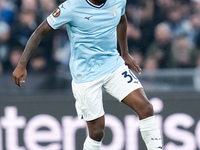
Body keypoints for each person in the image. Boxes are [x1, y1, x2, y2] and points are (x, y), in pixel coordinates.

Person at [12, 0, 163, 149]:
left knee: (146, 108)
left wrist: (124, 53)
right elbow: (40, 31)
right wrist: (22, 64)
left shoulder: (118, 1)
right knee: (97, 132)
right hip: (85, 75)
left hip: (113, 65)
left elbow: (121, 18)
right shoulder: (71, 7)